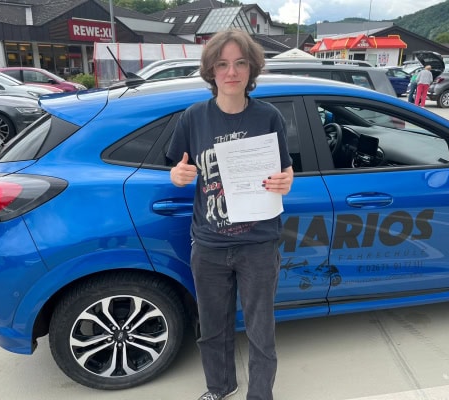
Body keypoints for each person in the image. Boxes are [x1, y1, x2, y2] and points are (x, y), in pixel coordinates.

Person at [167, 29, 294, 400]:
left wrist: (286, 181)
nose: (232, 72)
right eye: (222, 64)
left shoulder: (268, 117)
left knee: (261, 330)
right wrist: (177, 176)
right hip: (209, 244)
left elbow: (285, 170)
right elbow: (177, 168)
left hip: (258, 244)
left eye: (240, 63)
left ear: (251, 68)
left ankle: (260, 395)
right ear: (211, 70)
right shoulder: (194, 118)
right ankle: (220, 387)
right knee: (212, 327)